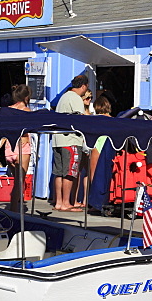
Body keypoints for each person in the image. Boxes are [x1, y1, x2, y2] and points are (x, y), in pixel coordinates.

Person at [52, 74, 88, 211]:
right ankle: (66, 203)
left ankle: (59, 202)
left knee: (59, 172)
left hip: (57, 140)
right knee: (69, 172)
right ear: (83, 86)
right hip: (70, 140)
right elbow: (80, 119)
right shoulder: (75, 98)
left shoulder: (64, 96)